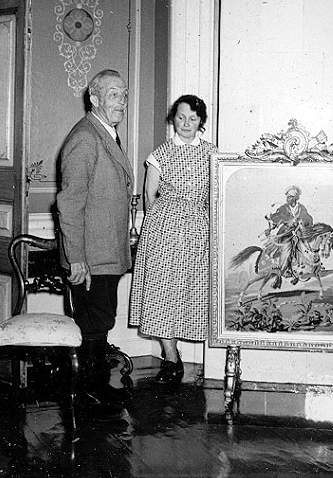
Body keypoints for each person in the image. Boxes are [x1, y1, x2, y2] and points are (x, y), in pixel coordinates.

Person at [57, 69, 134, 419]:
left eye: (124, 94)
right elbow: (69, 203)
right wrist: (76, 258)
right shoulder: (86, 138)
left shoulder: (105, 134)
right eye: (114, 94)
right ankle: (89, 396)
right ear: (95, 97)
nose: (122, 101)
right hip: (89, 257)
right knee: (92, 323)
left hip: (105, 251)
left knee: (99, 320)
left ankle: (95, 389)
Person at [129, 95, 217, 385]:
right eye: (181, 117)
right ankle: (170, 356)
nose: (186, 124)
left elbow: (216, 194)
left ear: (201, 121)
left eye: (193, 118)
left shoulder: (212, 153)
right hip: (163, 230)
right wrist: (162, 227)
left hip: (198, 231)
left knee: (190, 291)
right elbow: (149, 196)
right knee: (161, 292)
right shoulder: (161, 154)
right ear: (173, 119)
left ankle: (181, 353)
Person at [264, 185, 314, 283]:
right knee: (287, 252)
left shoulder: (301, 208)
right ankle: (280, 274)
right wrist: (270, 228)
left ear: (294, 198)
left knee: (307, 249)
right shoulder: (283, 208)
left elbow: (308, 218)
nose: (287, 199)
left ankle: (306, 269)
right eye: (287, 197)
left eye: (289, 197)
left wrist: (302, 222)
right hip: (286, 235)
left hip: (298, 234)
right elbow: (276, 218)